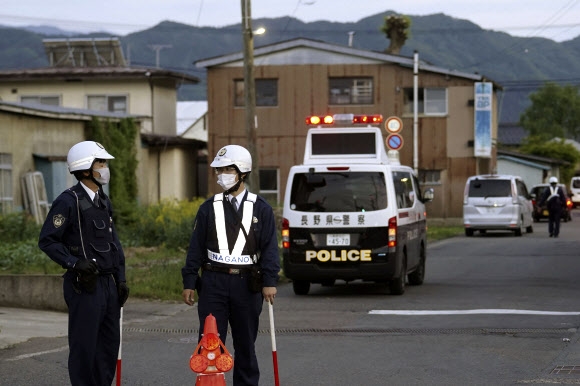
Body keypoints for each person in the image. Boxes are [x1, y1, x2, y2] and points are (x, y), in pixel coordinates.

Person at [182, 144, 280, 386]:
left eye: (227, 169)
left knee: (245, 344)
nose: (221, 175)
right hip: (213, 282)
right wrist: (189, 281)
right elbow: (195, 248)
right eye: (219, 170)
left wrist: (270, 281)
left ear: (242, 173)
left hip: (247, 284)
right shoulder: (208, 208)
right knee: (209, 342)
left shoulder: (261, 208)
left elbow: (270, 248)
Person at [38, 141, 129, 386]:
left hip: (108, 285)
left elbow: (114, 244)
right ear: (85, 169)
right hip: (85, 286)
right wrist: (74, 263)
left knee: (109, 347)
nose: (105, 167)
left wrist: (120, 279)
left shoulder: (103, 201)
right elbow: (47, 241)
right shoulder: (68, 201)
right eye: (101, 163)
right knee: (84, 348)